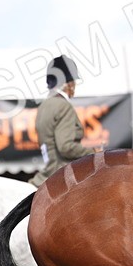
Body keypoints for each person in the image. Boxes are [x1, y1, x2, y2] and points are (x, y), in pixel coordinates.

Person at [31, 55, 94, 187]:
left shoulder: (44, 106)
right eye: (74, 83)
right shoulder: (63, 106)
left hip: (46, 174)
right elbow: (65, 147)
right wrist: (93, 152)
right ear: (68, 84)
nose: (74, 88)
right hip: (61, 179)